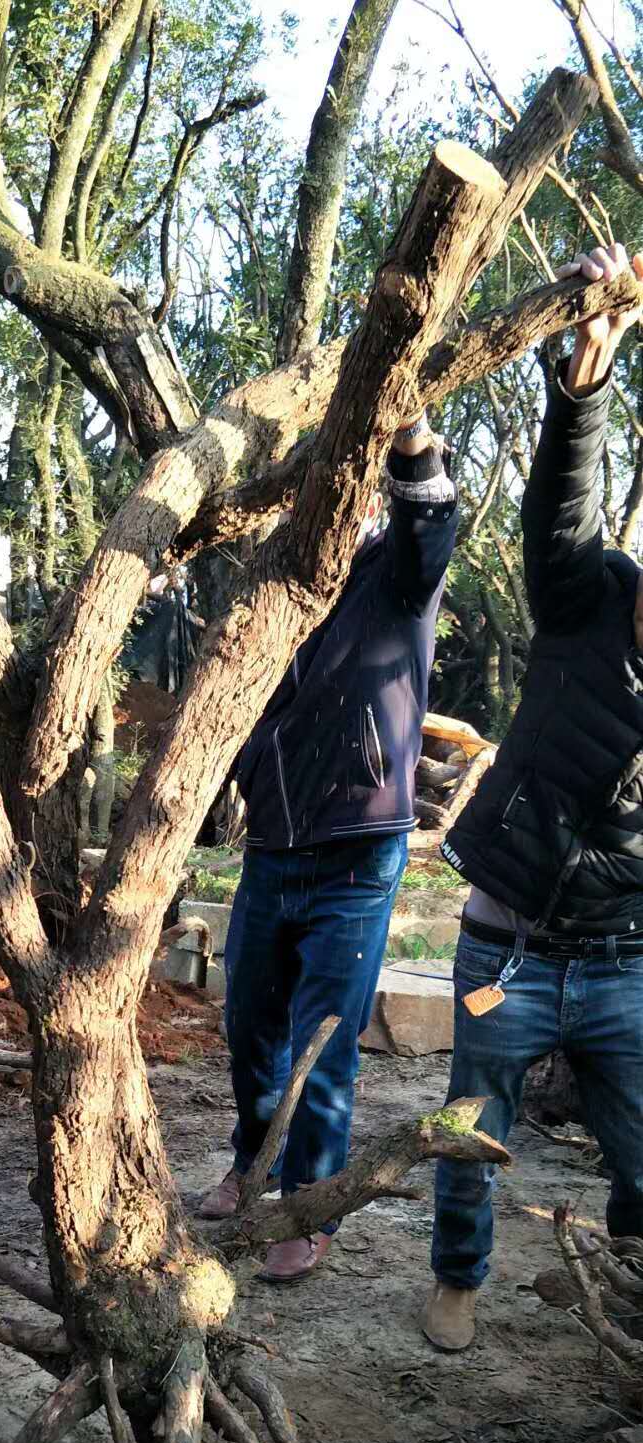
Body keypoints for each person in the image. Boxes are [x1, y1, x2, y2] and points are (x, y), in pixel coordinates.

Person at [425, 241, 643, 1353]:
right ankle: (456, 1272)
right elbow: (562, 503)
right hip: (505, 948)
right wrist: (586, 383)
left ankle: (626, 1304)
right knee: (464, 1125)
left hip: (627, 965)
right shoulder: (588, 598)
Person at [199, 418, 458, 1279]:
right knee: (249, 1023)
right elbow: (234, 697)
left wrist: (413, 441)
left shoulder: (396, 572)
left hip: (358, 848)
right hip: (273, 842)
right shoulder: (270, 591)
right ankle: (252, 1162)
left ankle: (310, 1206)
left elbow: (432, 517)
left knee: (326, 1036)